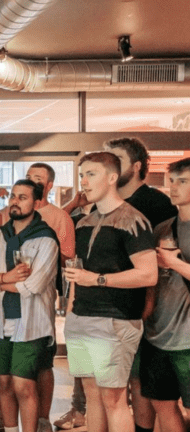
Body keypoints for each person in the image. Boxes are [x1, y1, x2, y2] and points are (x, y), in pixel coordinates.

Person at [56, 137, 177, 431]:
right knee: (93, 397)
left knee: (113, 400)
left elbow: (147, 274)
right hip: (81, 318)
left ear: (112, 177)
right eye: (81, 174)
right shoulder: (83, 223)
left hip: (115, 320)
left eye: (91, 174)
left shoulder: (133, 220)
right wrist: (72, 313)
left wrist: (97, 279)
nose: (83, 181)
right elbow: (77, 276)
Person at [0, 163, 73, 432]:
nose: (15, 202)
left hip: (31, 324)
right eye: (12, 196)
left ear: (37, 202)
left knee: (23, 384)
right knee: (5, 383)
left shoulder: (46, 239)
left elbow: (31, 286)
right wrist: (4, 279)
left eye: (22, 197)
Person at [141, 157, 190, 432]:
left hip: (188, 338)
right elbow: (152, 281)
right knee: (162, 403)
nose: (173, 187)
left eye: (182, 181)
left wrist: (173, 262)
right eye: (171, 181)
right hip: (157, 334)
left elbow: (169, 266)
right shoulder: (163, 228)